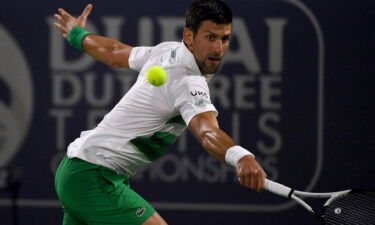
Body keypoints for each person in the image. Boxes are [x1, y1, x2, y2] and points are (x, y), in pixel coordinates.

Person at [53, 0, 267, 224]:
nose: (218, 48)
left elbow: (114, 52)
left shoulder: (166, 51)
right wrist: (240, 156)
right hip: (93, 176)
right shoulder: (188, 81)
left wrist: (77, 34)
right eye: (210, 37)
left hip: (76, 170)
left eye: (225, 39)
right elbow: (206, 132)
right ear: (189, 36)